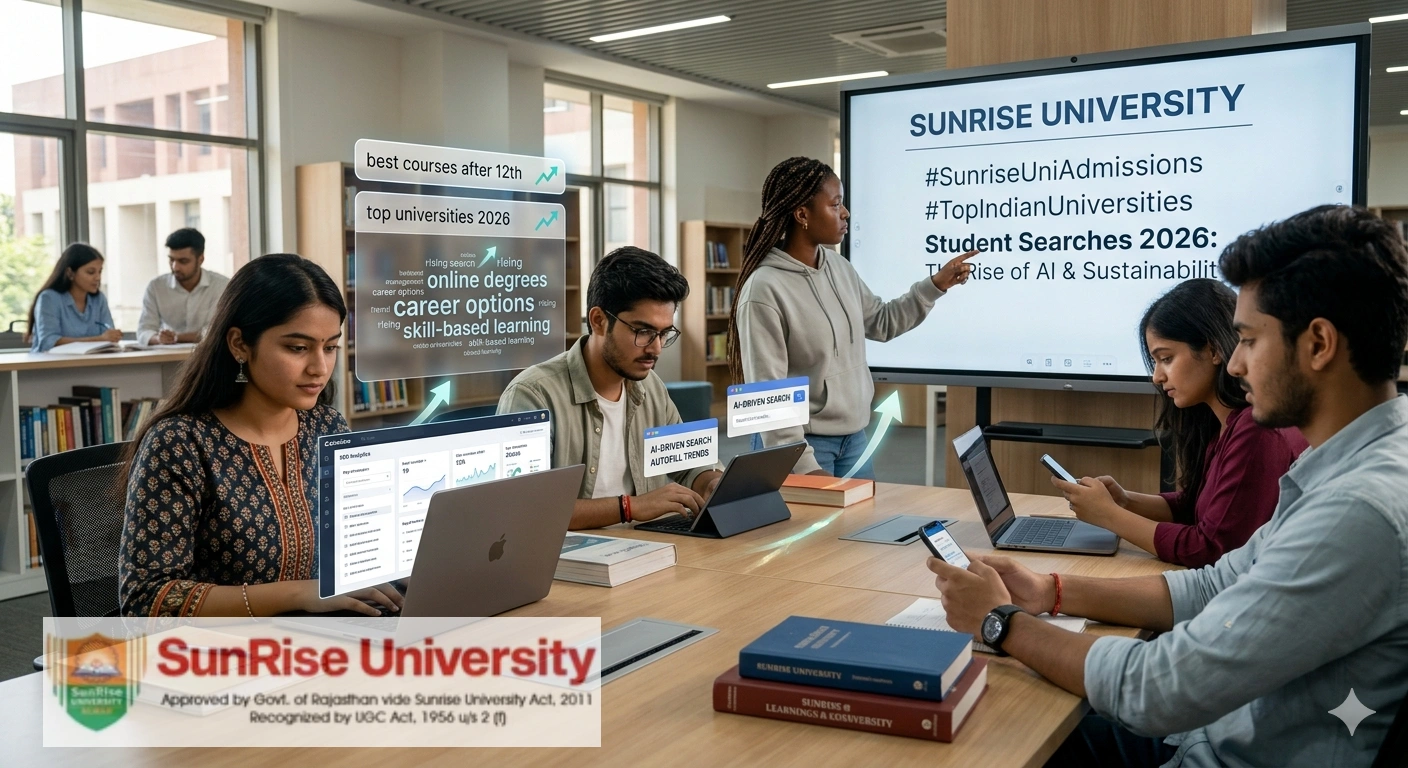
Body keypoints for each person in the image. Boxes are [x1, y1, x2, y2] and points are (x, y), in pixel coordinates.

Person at [928, 205, 1408, 766]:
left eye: (1250, 340)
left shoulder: (1355, 511)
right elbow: (1214, 586)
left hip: (1212, 753)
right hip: (1209, 735)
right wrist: (1046, 590)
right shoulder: (1350, 466)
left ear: (1319, 344)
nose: (1235, 366)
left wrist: (1001, 623)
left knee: (986, 728)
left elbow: (1159, 689)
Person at [119, 254, 403, 617]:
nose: (320, 368)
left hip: (326, 635)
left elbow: (355, 547)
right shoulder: (180, 443)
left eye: (330, 347)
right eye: (298, 348)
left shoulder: (327, 427)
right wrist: (298, 595)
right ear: (239, 344)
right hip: (223, 647)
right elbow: (147, 600)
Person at [728, 156, 977, 477]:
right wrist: (803, 467)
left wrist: (935, 285)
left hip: (854, 439)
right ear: (802, 214)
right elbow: (767, 393)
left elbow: (882, 322)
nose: (845, 213)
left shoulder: (839, 267)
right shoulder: (764, 289)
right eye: (835, 205)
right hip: (801, 446)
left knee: (860, 514)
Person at [1051, 279, 1307, 567]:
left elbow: (1210, 549)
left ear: (1214, 350)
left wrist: (1110, 516)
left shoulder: (1256, 429)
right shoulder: (1223, 423)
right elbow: (1197, 506)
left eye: (1167, 358)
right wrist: (1124, 501)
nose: (1157, 376)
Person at [498, 246, 723, 530]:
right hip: (570, 554)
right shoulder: (533, 395)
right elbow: (528, 508)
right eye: (643, 331)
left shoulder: (650, 386)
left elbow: (688, 464)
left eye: (664, 333)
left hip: (649, 546)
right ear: (599, 321)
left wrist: (711, 482)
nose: (656, 348)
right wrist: (630, 507)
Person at [136, 227, 230, 346]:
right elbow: (144, 330)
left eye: (183, 261)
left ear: (201, 259)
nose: (175, 267)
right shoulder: (156, 287)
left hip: (209, 354)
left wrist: (177, 337)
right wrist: (159, 339)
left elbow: (219, 331)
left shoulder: (221, 286)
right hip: (166, 354)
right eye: (171, 260)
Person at [27, 243, 121, 352]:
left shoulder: (99, 299)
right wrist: (99, 339)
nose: (98, 278)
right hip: (52, 362)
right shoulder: (49, 298)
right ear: (70, 273)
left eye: (100, 271)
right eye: (90, 272)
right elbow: (48, 342)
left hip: (92, 361)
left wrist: (113, 336)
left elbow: (109, 337)